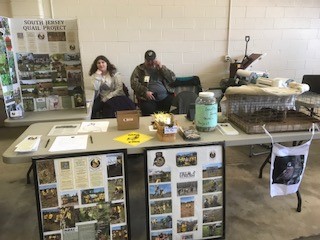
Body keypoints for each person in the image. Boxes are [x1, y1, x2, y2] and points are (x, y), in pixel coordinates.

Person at [130, 50, 176, 116]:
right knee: (147, 108)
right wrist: (145, 91)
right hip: (148, 98)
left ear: (155, 59)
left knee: (173, 103)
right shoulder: (139, 69)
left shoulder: (161, 68)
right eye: (148, 61)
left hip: (164, 97)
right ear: (145, 60)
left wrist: (161, 68)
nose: (150, 63)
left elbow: (172, 79)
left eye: (152, 60)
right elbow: (133, 83)